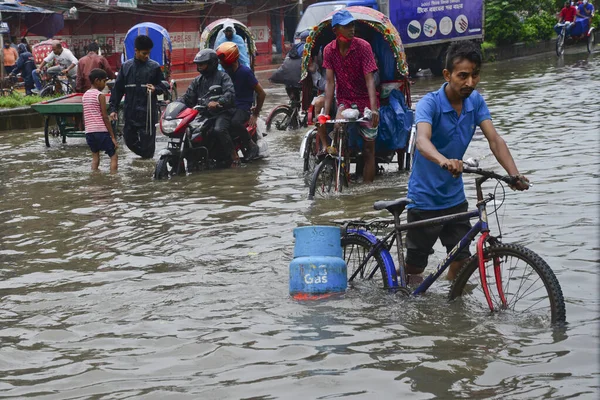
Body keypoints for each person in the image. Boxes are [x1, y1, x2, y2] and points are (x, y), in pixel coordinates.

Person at [405, 41, 529, 283]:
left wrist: (514, 175)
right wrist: (444, 161)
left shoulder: (476, 102)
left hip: (455, 199)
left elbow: (495, 140)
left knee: (462, 262)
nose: (470, 83)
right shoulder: (430, 103)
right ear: (447, 75)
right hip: (424, 199)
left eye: (474, 75)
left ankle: (452, 307)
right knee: (414, 269)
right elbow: (422, 140)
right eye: (463, 76)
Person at [319, 9, 380, 183]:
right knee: (338, 130)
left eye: (352, 25)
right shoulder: (329, 51)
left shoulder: (363, 47)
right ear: (336, 30)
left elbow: (370, 80)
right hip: (345, 101)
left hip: (366, 101)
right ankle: (341, 173)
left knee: (369, 149)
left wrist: (374, 109)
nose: (351, 29)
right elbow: (330, 83)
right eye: (346, 26)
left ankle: (368, 191)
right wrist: (325, 111)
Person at [108, 35, 166, 159]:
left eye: (148, 53)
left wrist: (155, 89)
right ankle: (144, 161)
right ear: (136, 50)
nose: (147, 56)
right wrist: (113, 109)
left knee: (148, 148)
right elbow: (117, 90)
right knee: (129, 141)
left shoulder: (154, 67)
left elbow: (163, 86)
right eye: (144, 53)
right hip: (131, 112)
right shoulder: (126, 67)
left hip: (148, 113)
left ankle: (147, 169)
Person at [179, 49, 237, 168]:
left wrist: (219, 101)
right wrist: (174, 104)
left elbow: (230, 93)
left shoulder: (223, 77)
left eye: (202, 64)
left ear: (212, 63)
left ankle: (233, 156)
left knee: (219, 129)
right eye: (198, 64)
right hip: (204, 114)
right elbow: (188, 97)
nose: (199, 67)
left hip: (222, 112)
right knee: (188, 131)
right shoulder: (197, 80)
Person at [216, 41, 265, 161]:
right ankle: (228, 154)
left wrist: (255, 114)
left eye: (223, 62)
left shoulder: (245, 72)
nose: (221, 64)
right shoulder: (224, 74)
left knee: (235, 123)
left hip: (242, 107)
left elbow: (261, 93)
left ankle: (251, 145)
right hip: (229, 107)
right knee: (216, 127)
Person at [83, 69, 118, 173]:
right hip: (101, 131)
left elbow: (85, 115)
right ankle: (114, 179)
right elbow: (104, 117)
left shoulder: (85, 95)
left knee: (95, 157)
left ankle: (95, 178)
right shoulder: (100, 95)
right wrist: (112, 136)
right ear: (97, 80)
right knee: (114, 156)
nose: (105, 84)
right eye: (104, 81)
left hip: (89, 132)